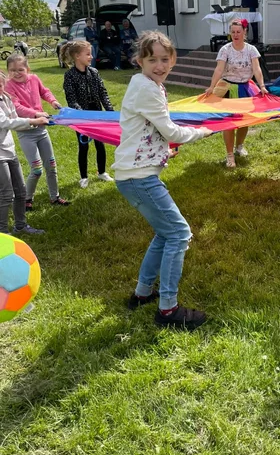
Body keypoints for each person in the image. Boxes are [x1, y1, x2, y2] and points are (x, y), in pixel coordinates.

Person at [113, 31, 213, 330]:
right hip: (139, 178)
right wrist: (203, 132)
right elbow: (170, 130)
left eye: (165, 59)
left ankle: (142, 294)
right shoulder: (147, 88)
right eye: (152, 59)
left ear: (173, 60)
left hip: (136, 174)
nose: (159, 65)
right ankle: (167, 310)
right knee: (179, 234)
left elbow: (149, 129)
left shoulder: (147, 84)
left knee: (164, 233)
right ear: (139, 60)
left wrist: (161, 152)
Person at [5, 54, 70, 210]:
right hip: (26, 132)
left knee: (51, 165)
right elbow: (17, 107)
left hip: (42, 131)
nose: (16, 73)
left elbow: (45, 92)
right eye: (12, 70)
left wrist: (53, 101)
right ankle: (27, 198)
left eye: (20, 69)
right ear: (8, 71)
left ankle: (55, 197)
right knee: (36, 169)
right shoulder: (9, 86)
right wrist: (36, 113)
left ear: (28, 69)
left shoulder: (34, 79)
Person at [204, 19, 268, 168]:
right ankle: (229, 155)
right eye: (233, 32)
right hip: (227, 88)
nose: (235, 34)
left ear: (245, 32)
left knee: (244, 121)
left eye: (238, 31)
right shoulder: (225, 49)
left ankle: (239, 146)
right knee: (229, 123)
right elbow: (219, 69)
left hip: (245, 89)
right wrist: (211, 87)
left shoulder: (251, 50)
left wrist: (262, 86)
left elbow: (257, 69)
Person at [61, 40, 115, 188]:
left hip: (97, 113)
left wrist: (109, 111)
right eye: (88, 54)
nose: (91, 56)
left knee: (100, 143)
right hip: (81, 117)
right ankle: (83, 177)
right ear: (77, 56)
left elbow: (103, 93)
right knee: (83, 146)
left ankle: (102, 172)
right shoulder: (70, 76)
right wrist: (83, 115)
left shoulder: (94, 72)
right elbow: (71, 99)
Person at [0, 70, 47, 236]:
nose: (0, 87)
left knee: (20, 191)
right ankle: (3, 234)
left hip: (9, 151)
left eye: (0, 84)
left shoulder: (5, 98)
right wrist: (34, 120)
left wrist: (36, 124)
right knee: (6, 195)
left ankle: (20, 226)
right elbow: (7, 122)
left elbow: (15, 119)